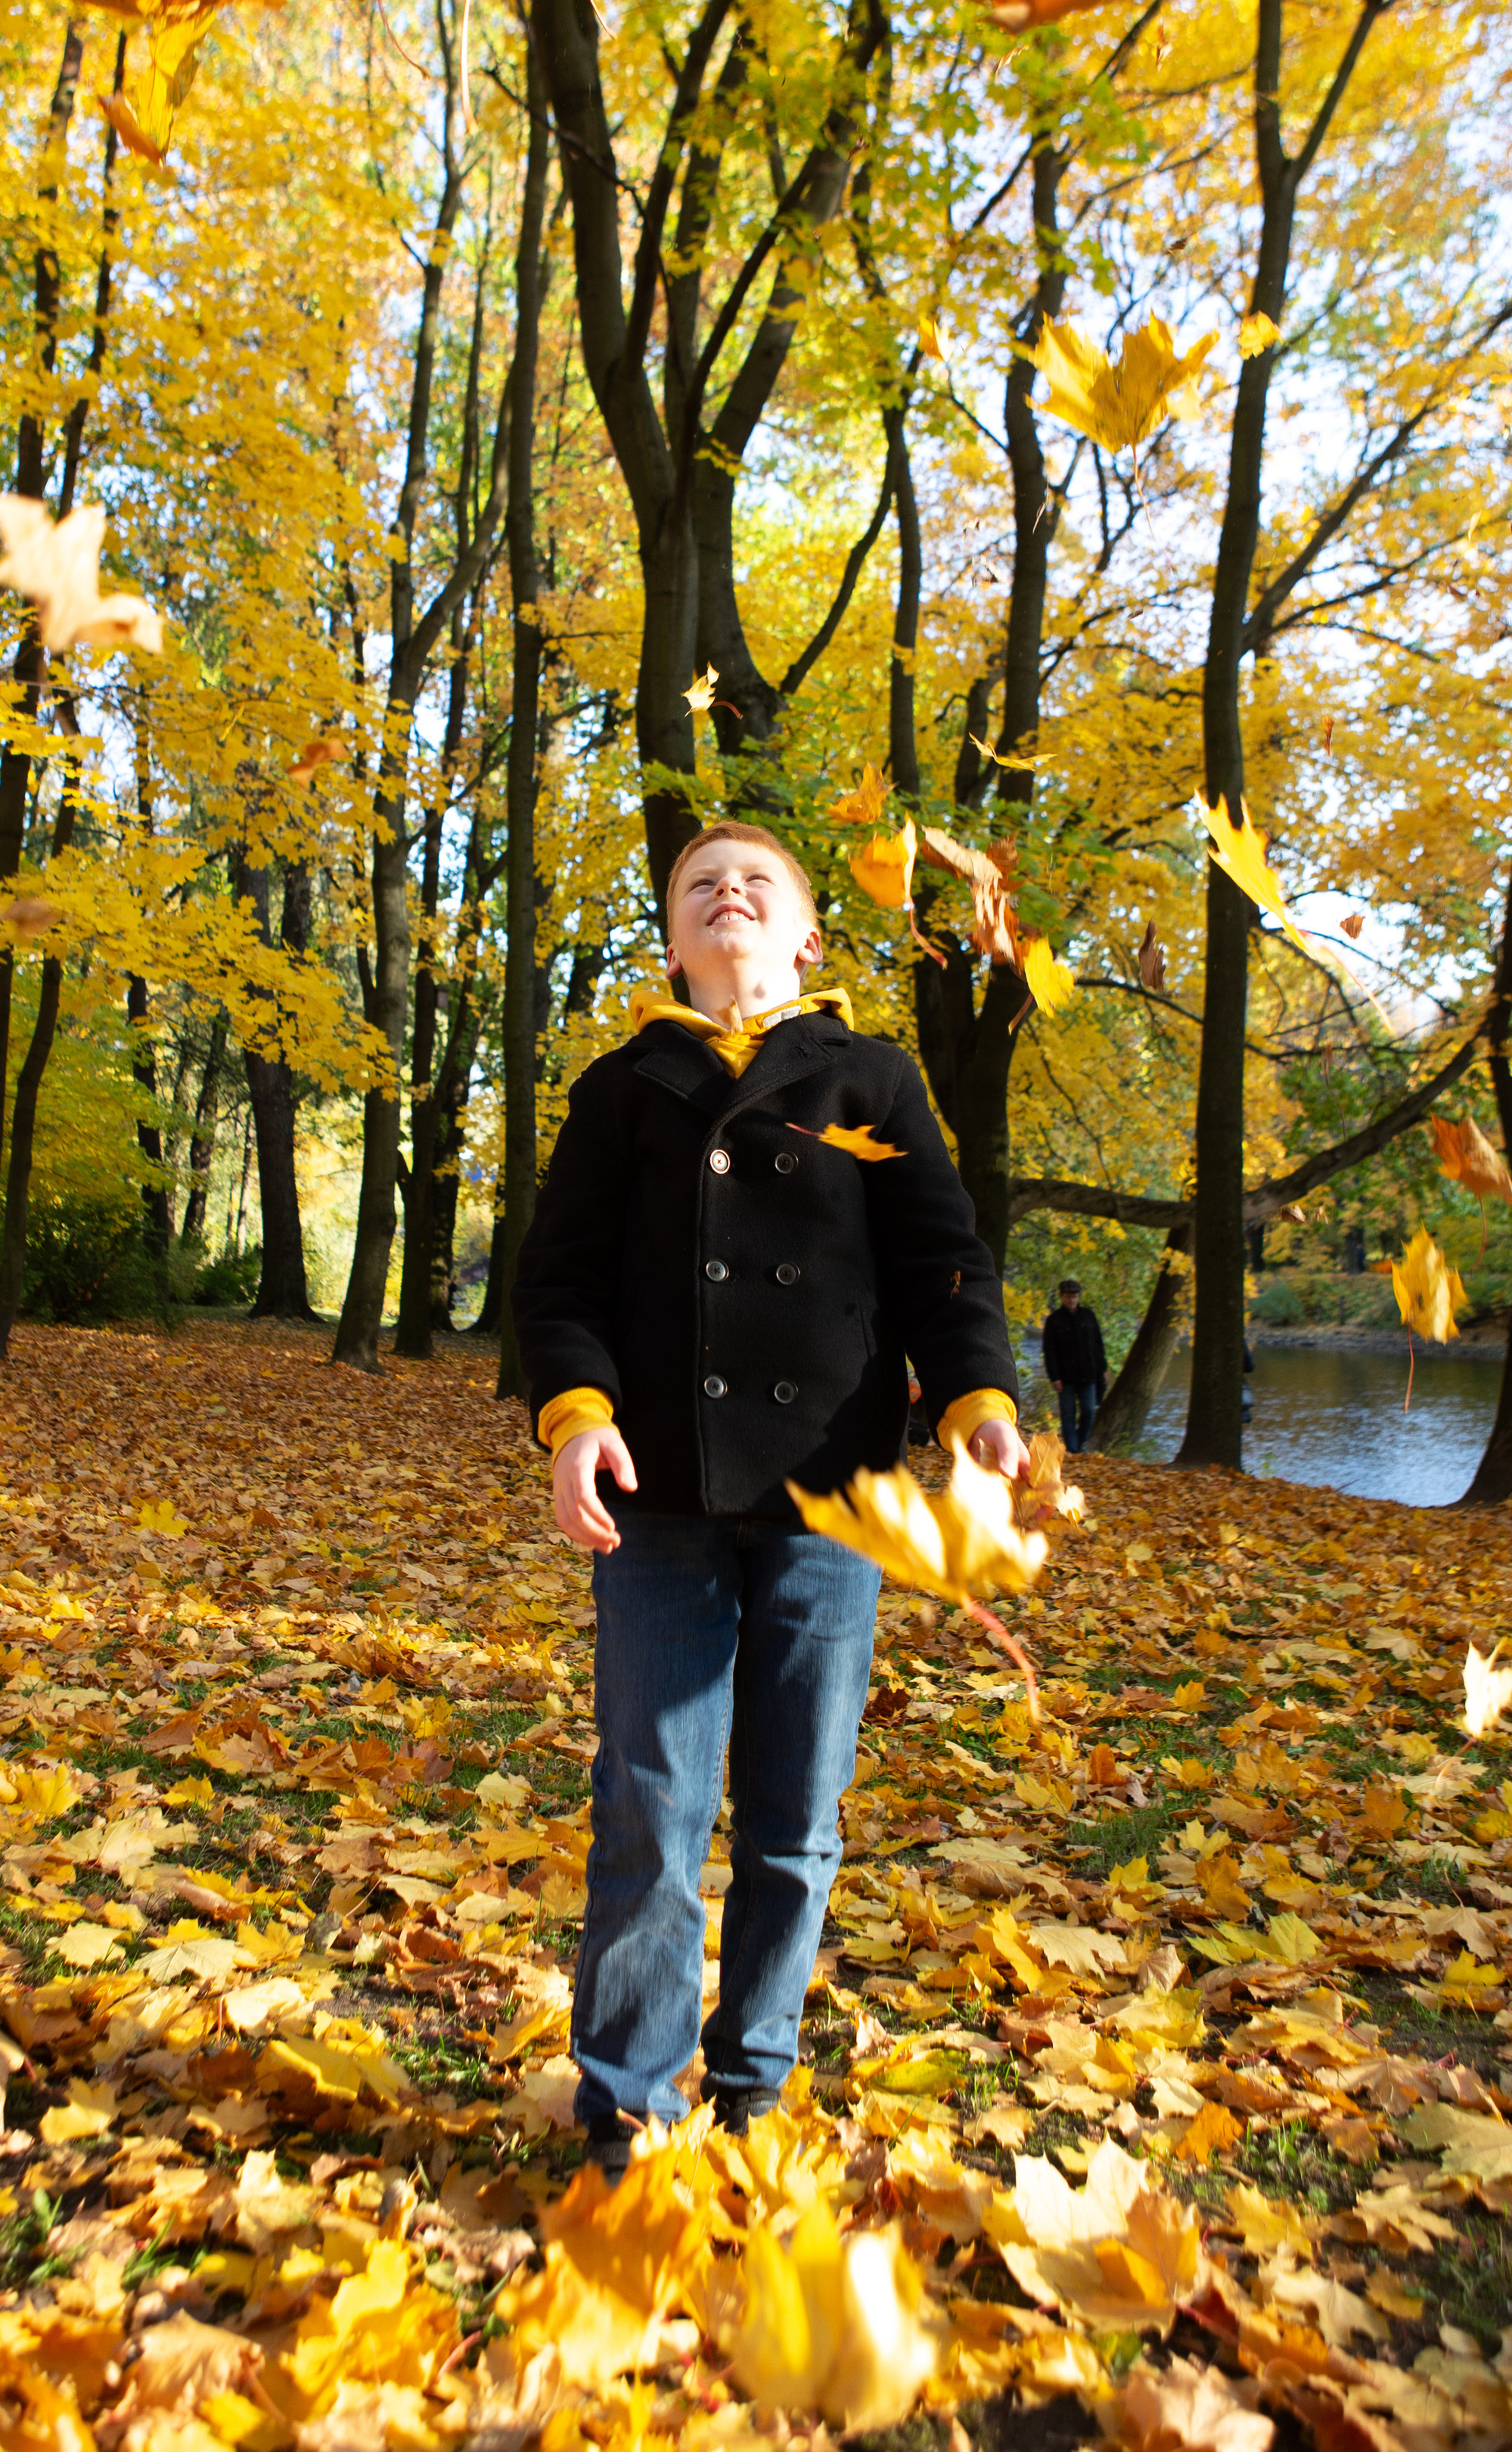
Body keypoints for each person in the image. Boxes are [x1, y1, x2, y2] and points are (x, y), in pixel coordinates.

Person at [514, 819, 1024, 2176]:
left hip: (834, 1498)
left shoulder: (872, 1075)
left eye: (758, 883)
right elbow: (559, 1284)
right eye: (698, 887)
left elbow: (946, 1264)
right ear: (675, 943)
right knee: (652, 1808)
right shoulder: (623, 1088)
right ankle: (626, 2108)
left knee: (795, 1817)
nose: (726, 893)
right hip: (657, 1499)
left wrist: (976, 1403)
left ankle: (755, 2091)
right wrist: (576, 1420)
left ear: (806, 934)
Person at [1042, 1277, 1107, 1451]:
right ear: (1062, 1297)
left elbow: (1098, 1345)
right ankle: (1073, 1449)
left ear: (1079, 1297)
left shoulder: (1088, 1316)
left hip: (1089, 1374)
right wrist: (1054, 1377)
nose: (1072, 1299)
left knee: (1089, 1411)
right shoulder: (1054, 1320)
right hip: (1065, 1377)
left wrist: (1103, 1369)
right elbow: (1049, 1352)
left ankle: (1081, 1442)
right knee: (1068, 1415)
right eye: (1068, 1296)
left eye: (1075, 1296)